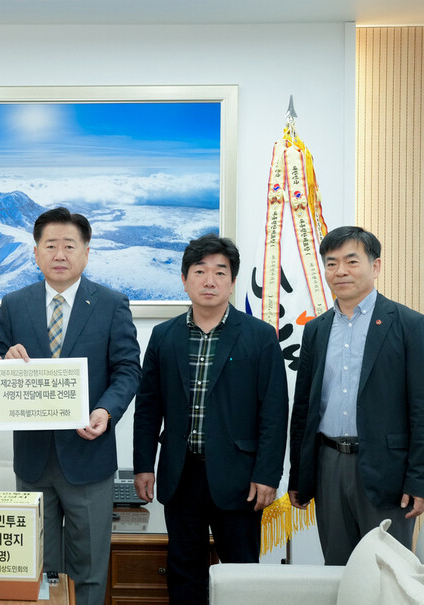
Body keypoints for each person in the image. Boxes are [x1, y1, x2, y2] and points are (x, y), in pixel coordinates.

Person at [0, 206, 141, 605]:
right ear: (35, 253)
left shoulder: (111, 304)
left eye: (69, 246)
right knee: (38, 570)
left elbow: (127, 370)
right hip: (33, 461)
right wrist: (2, 359)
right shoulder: (14, 303)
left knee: (89, 571)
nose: (60, 254)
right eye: (50, 245)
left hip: (88, 459)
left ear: (86, 253)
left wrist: (105, 412)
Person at [132, 234, 288, 605]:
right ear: (185, 279)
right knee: (184, 567)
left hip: (240, 477)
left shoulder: (260, 336)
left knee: (241, 571)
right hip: (181, 473)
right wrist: (143, 466)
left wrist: (267, 474)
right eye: (200, 271)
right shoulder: (163, 336)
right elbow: (148, 406)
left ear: (232, 281)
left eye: (220, 272)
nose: (209, 280)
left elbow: (274, 410)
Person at [289, 226, 424, 564]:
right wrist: (300, 474)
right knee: (338, 569)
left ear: (375, 266)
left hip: (386, 469)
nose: (340, 271)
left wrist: (420, 480)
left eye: (351, 261)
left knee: (387, 572)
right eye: (331, 263)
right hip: (328, 464)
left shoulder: (407, 324)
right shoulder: (316, 329)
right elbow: (304, 408)